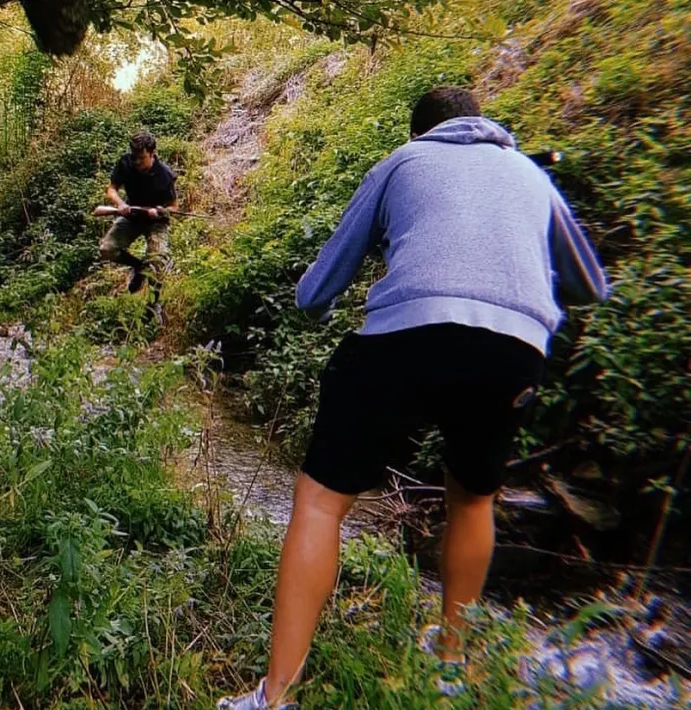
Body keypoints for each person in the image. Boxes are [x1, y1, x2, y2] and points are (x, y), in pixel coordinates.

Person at [217, 86, 609, 709]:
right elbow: (592, 286)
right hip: (514, 354)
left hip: (405, 337)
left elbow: (315, 291)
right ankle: (450, 665)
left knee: (320, 503)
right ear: (483, 123)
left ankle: (275, 697)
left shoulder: (402, 162)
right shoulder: (531, 175)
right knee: (473, 497)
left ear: (419, 132)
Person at [100, 130, 178, 320]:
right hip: (132, 217)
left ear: (152, 153)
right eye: (135, 157)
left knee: (156, 260)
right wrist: (120, 204)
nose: (137, 162)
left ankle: (153, 305)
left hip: (156, 222)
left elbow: (174, 207)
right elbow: (111, 189)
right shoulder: (126, 163)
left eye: (141, 158)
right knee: (107, 249)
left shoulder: (165, 175)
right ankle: (138, 267)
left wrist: (160, 211)